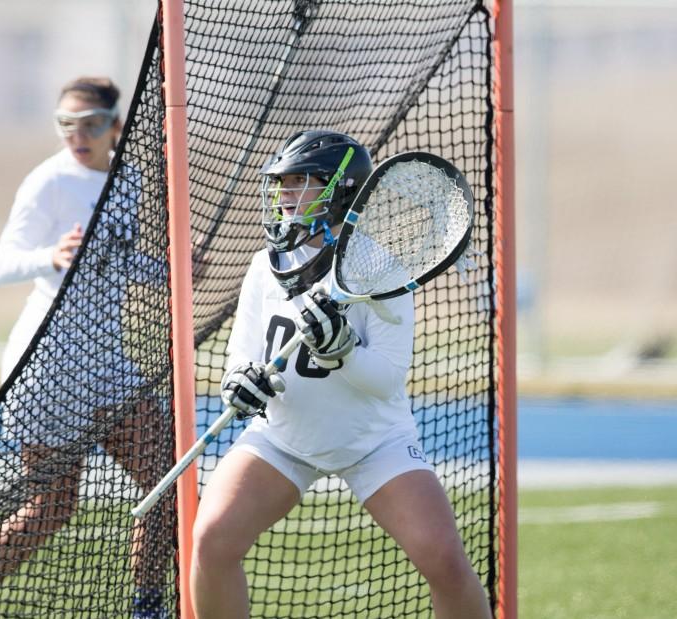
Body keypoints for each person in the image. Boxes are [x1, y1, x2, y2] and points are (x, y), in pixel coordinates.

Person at [190, 130, 493, 619]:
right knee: (211, 541)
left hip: (374, 442)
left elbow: (387, 380)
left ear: (338, 190)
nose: (284, 195)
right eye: (281, 183)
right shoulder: (264, 267)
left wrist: (343, 350)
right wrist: (239, 382)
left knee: (445, 562)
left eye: (298, 182)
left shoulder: (381, 271)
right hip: (282, 438)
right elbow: (241, 354)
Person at [0, 77, 171, 619]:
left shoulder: (127, 179)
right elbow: (3, 266)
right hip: (50, 365)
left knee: (166, 481)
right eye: (66, 125)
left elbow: (114, 260)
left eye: (89, 124)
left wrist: (169, 271)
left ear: (115, 125)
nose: (77, 136)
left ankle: (147, 607)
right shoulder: (48, 182)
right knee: (54, 504)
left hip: (108, 360)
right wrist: (50, 256)